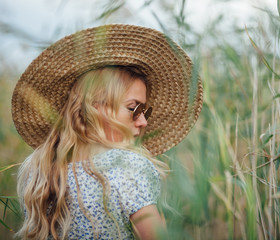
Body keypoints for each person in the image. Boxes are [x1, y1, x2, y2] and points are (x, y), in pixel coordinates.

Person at [11, 24, 203, 240]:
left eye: (145, 112)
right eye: (133, 108)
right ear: (95, 107)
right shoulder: (127, 166)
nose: (143, 122)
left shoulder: (37, 172)